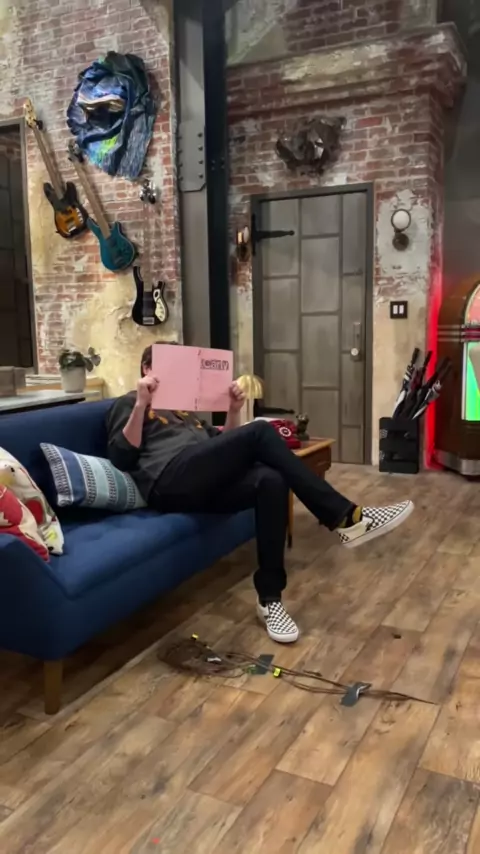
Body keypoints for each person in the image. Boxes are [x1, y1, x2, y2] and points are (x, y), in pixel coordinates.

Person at [106, 344, 414, 644]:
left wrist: (232, 410)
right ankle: (346, 517)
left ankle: (270, 599)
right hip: (168, 481)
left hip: (200, 481)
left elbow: (221, 444)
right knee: (260, 431)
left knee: (271, 480)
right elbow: (121, 457)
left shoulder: (185, 410)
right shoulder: (128, 403)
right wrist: (141, 404)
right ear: (147, 368)